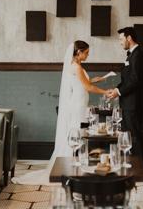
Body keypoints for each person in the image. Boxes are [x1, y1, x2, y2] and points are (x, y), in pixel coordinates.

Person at [14, 40, 110, 184]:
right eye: (86, 53)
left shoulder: (75, 66)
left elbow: (85, 82)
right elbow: (87, 87)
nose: (88, 55)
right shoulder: (76, 67)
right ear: (79, 52)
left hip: (79, 103)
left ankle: (75, 165)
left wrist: (98, 79)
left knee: (78, 134)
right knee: (77, 134)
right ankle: (70, 167)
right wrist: (106, 92)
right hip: (78, 105)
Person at [107, 27, 143, 163]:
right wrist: (116, 89)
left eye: (121, 39)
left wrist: (118, 92)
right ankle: (131, 166)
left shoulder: (138, 55)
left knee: (135, 137)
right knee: (129, 137)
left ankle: (140, 168)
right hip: (128, 104)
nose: (120, 42)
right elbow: (127, 80)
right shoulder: (132, 55)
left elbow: (135, 80)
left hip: (133, 105)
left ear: (129, 38)